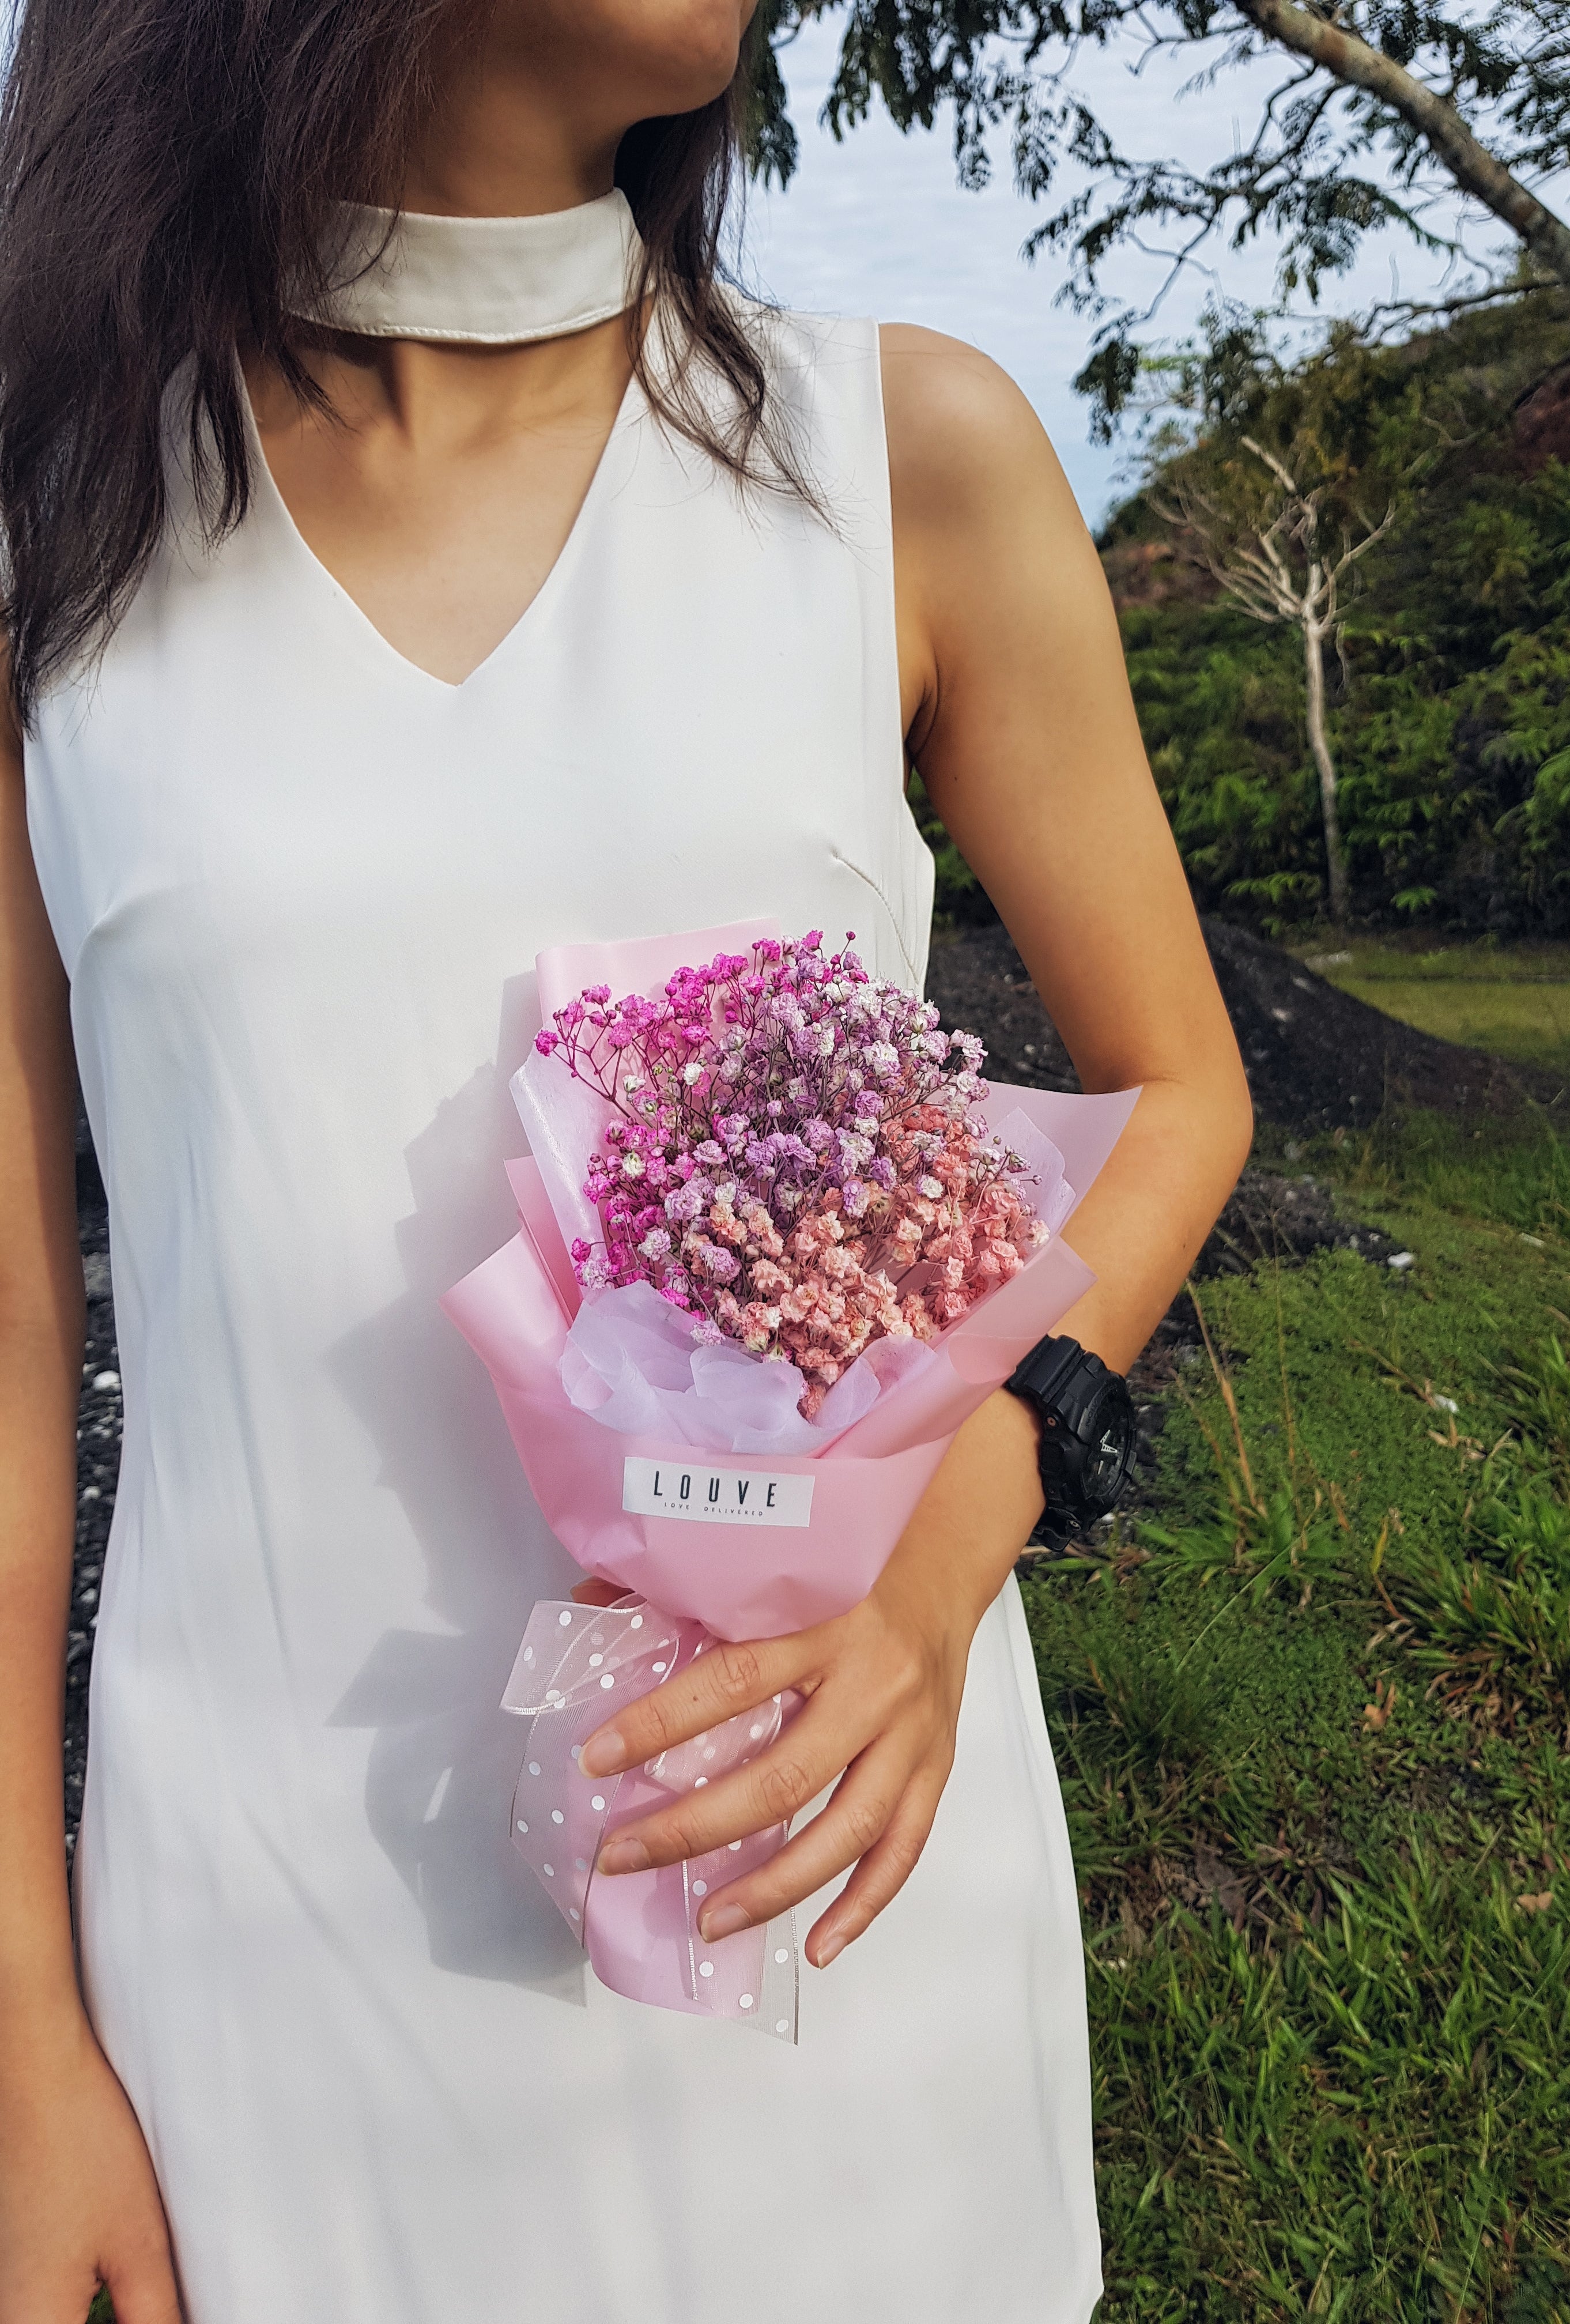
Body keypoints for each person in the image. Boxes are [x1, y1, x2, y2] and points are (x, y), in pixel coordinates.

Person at [0, 3, 1252, 2319]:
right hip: (272, 1984)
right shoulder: (62, 544)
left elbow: (1178, 1085)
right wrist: (17, 2035)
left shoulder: (898, 455)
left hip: (838, 1913)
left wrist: (948, 1552)